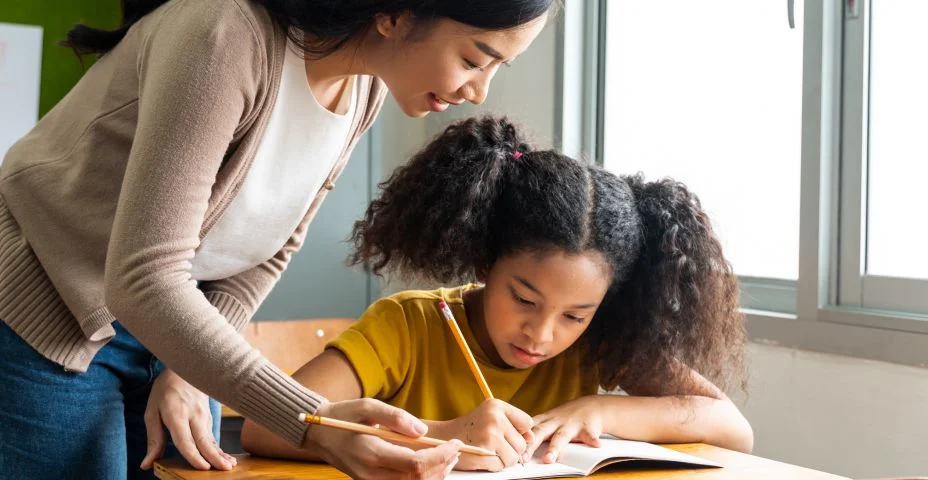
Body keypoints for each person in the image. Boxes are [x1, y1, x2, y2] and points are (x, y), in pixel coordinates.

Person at [0, 1, 552, 478]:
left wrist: (189, 368)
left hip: (174, 322)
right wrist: (315, 422)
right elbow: (144, 277)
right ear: (395, 15)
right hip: (47, 309)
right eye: (474, 59)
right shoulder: (224, 35)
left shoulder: (362, 91)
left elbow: (268, 249)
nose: (479, 91)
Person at [240, 116, 754, 472]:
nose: (542, 333)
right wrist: (443, 434)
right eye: (524, 300)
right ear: (486, 260)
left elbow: (732, 428)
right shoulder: (410, 326)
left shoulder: (599, 343)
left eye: (575, 315)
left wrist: (600, 409)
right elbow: (265, 428)